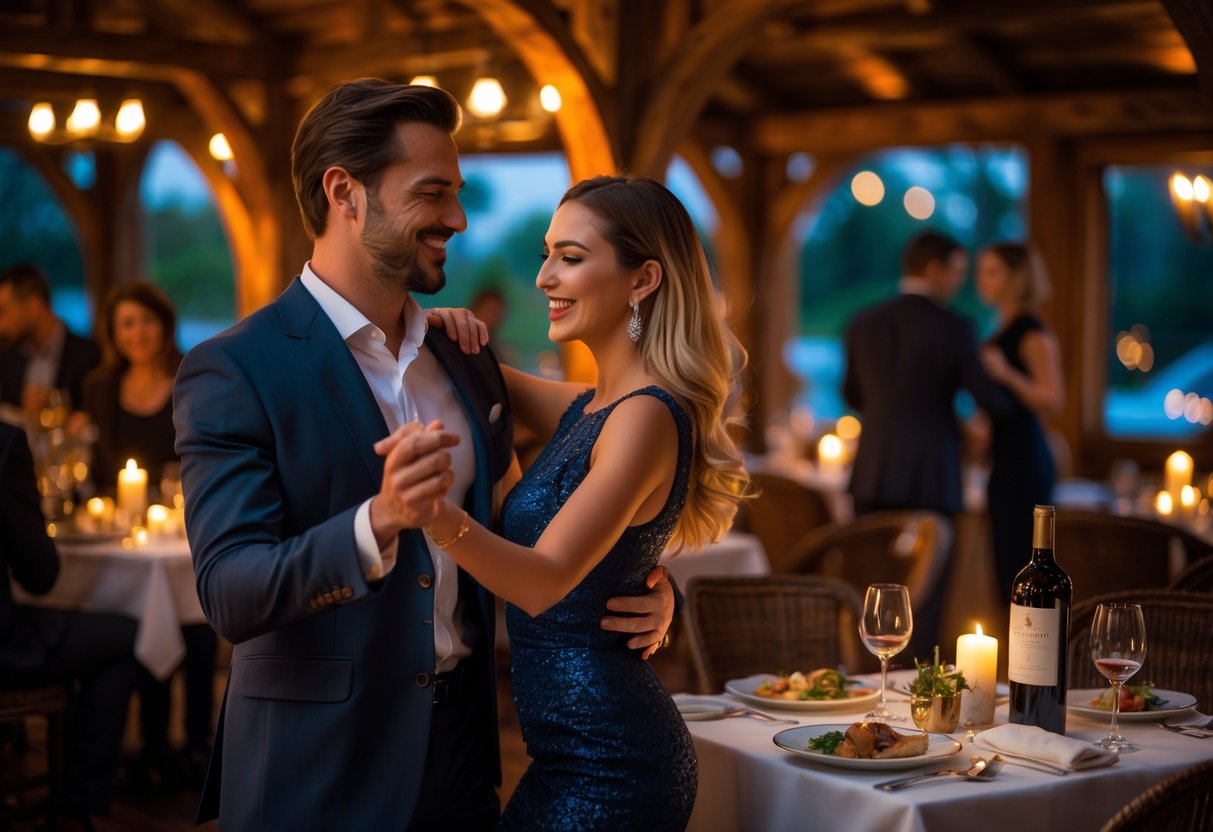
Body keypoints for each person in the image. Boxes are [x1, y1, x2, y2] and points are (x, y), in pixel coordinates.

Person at [172, 78, 675, 832]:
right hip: (317, 772)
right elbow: (230, 593)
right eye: (433, 193)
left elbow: (569, 491)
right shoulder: (236, 368)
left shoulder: (464, 356)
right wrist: (378, 521)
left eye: (458, 193)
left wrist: (642, 576)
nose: (458, 219)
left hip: (464, 760)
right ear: (345, 192)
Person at [424, 175, 748, 830]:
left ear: (642, 280)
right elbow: (474, 371)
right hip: (563, 758)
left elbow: (542, 582)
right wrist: (439, 322)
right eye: (546, 254)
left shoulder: (646, 418)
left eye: (570, 257)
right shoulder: (589, 408)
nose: (543, 277)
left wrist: (430, 512)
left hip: (613, 767)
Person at [843, 230, 1011, 654]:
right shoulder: (955, 327)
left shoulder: (863, 321)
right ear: (934, 269)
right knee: (927, 599)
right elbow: (987, 399)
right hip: (932, 476)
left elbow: (852, 396)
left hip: (873, 473)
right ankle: (920, 693)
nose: (959, 282)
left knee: (872, 591)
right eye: (957, 271)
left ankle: (870, 682)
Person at [80, 280, 216, 790]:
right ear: (115, 334)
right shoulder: (99, 387)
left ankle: (198, 746)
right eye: (126, 324)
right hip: (125, 536)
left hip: (187, 531)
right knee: (135, 618)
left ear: (165, 324)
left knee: (198, 626)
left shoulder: (191, 378)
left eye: (146, 321)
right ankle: (153, 742)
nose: (137, 333)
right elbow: (94, 470)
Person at [0, 420, 138, 827]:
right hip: (4, 650)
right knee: (124, 637)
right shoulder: (5, 444)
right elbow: (40, 576)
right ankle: (74, 807)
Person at [975, 242, 1062, 603]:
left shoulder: (1032, 332)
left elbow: (1053, 398)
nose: (982, 280)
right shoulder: (1002, 327)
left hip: (1025, 462)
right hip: (1004, 461)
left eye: (992, 272)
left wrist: (1008, 374)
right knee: (1003, 571)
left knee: (1021, 569)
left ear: (1015, 277)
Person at [0, 261, 100, 420]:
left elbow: (96, 417)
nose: (1, 324)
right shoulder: (8, 356)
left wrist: (59, 405)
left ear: (32, 307)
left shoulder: (89, 355)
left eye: (3, 311)